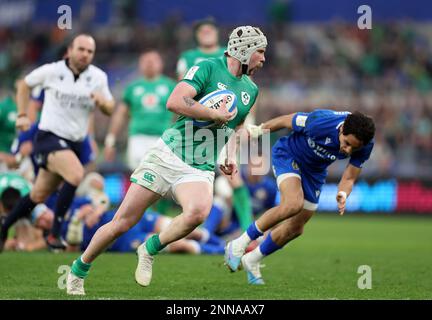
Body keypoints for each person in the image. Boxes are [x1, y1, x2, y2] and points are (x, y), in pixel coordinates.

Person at [66, 25, 268, 295]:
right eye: (260, 52)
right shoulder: (207, 67)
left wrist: (230, 155)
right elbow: (174, 102)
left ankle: (149, 249)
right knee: (122, 223)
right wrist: (211, 113)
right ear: (244, 51)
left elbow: (238, 126)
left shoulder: (251, 90)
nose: (264, 59)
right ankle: (79, 270)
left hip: (201, 165)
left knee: (198, 212)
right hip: (169, 154)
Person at [224, 109, 376, 284]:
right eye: (347, 143)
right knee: (293, 204)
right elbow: (286, 121)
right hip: (289, 155)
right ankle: (238, 244)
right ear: (341, 130)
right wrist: (259, 130)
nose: (348, 150)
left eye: (354, 148)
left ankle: (252, 259)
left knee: (296, 228)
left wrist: (342, 193)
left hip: (315, 172)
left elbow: (349, 177)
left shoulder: (365, 144)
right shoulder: (321, 122)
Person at [0, 34, 114, 252]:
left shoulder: (98, 77)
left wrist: (102, 103)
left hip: (75, 143)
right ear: (70, 50)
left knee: (38, 194)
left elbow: (109, 107)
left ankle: (4, 226)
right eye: (81, 49)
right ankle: (54, 232)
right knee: (75, 174)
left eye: (90, 52)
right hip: (48, 138)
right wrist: (23, 115)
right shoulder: (52, 71)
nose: (85, 55)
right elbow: (24, 85)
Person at [104, 50, 176, 170]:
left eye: (153, 60)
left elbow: (180, 114)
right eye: (146, 61)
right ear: (140, 64)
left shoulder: (171, 86)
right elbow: (120, 115)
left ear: (161, 64)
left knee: (162, 179)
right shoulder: (132, 87)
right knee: (138, 177)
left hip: (163, 139)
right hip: (137, 138)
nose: (149, 63)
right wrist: (110, 141)